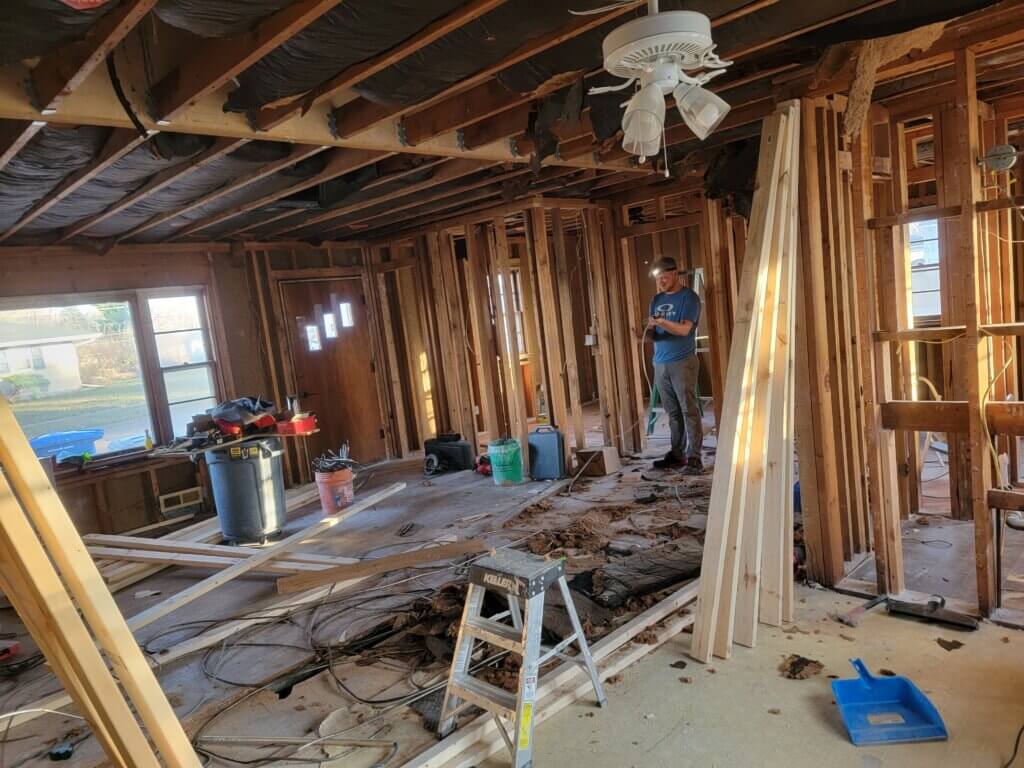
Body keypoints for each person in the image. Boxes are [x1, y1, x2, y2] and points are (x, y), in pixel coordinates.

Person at [646, 256, 703, 472]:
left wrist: (661, 321)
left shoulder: (689, 298)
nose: (661, 281)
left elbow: (684, 329)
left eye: (664, 277)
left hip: (682, 362)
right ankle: (677, 454)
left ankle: (695, 458)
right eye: (658, 278)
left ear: (675, 274)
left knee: (688, 410)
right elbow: (654, 333)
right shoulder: (656, 299)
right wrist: (644, 334)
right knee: (673, 413)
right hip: (660, 363)